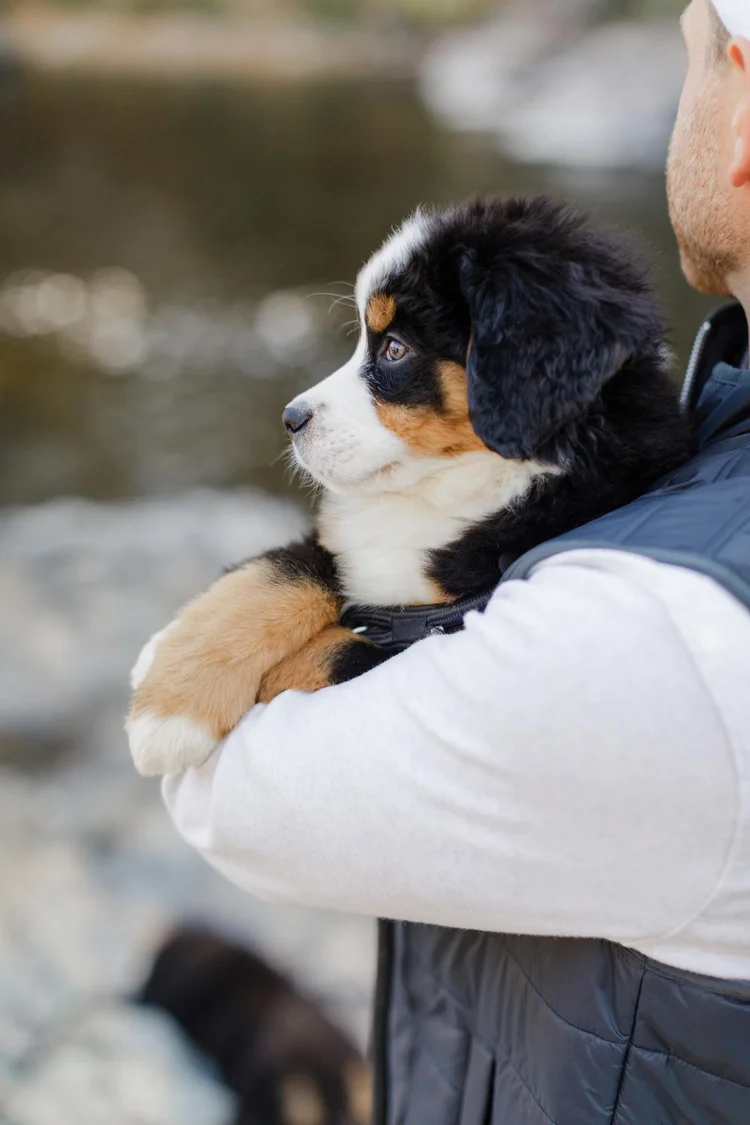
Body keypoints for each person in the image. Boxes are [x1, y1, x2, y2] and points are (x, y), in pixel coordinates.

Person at [160, 2, 750, 1121]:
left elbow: (220, 787)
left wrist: (273, 626)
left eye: (692, 58)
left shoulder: (666, 637)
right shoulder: (713, 430)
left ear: (745, 121)